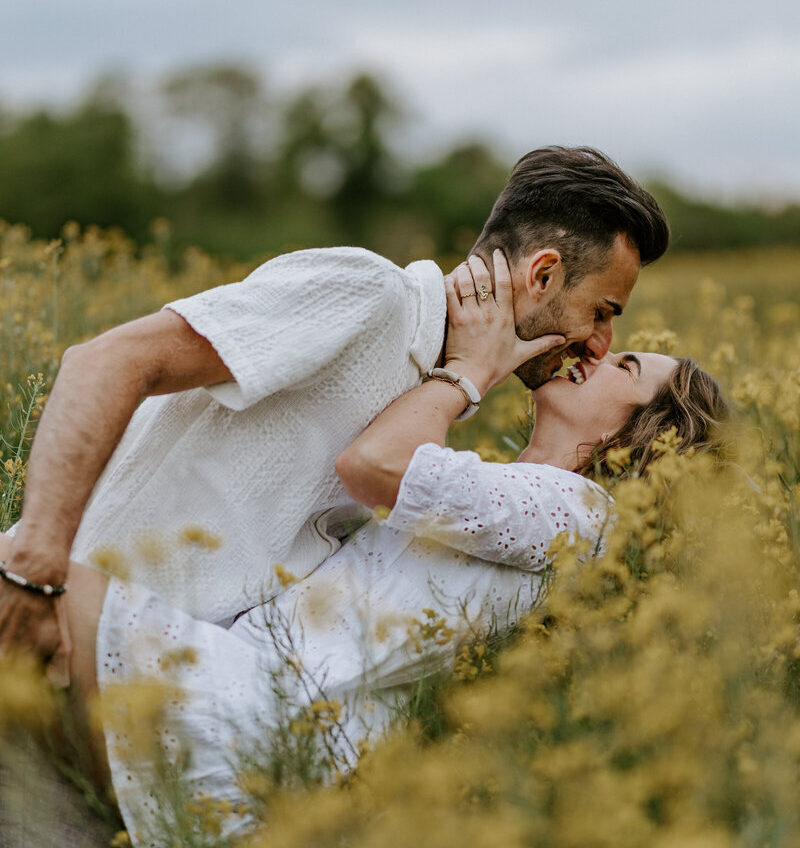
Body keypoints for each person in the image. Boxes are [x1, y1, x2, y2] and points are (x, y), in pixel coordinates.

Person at [0, 252, 727, 848]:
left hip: (255, 723)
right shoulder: (516, 498)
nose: (597, 353)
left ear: (646, 435)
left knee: (31, 585)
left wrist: (469, 372)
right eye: (609, 332)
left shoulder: (580, 514)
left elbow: (374, 463)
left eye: (627, 366)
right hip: (258, 720)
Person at [0, 146, 670, 668]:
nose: (601, 343)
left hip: (130, 697)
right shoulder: (370, 298)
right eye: (601, 313)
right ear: (543, 275)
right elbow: (106, 362)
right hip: (49, 630)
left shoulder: (431, 398)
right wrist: (33, 568)